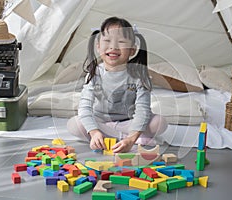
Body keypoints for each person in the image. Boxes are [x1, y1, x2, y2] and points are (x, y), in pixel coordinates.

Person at [67, 16, 168, 153]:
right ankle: (104, 138)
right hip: (101, 122)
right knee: (74, 124)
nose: (113, 46)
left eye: (121, 42)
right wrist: (94, 132)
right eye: (107, 41)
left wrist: (131, 139)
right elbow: (85, 107)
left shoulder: (139, 76)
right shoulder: (94, 74)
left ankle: (122, 138)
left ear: (132, 50)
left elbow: (142, 111)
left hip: (129, 123)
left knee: (159, 123)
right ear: (98, 46)